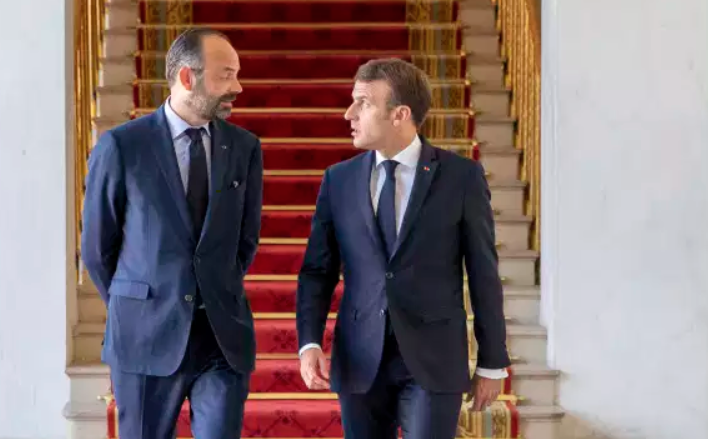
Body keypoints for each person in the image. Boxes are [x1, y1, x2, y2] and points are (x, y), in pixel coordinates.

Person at [295, 58, 511, 438]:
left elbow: (483, 273)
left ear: (400, 114)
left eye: (363, 103)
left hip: (433, 360)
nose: (349, 114)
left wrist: (492, 361)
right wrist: (309, 340)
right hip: (359, 358)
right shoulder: (338, 180)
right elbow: (318, 271)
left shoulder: (461, 177)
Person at [81, 28, 262, 439]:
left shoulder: (245, 148)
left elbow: (245, 240)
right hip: (144, 336)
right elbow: (96, 249)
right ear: (186, 77)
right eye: (226, 75)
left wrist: (216, 287)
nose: (237, 87)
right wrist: (137, 303)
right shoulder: (122, 147)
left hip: (221, 338)